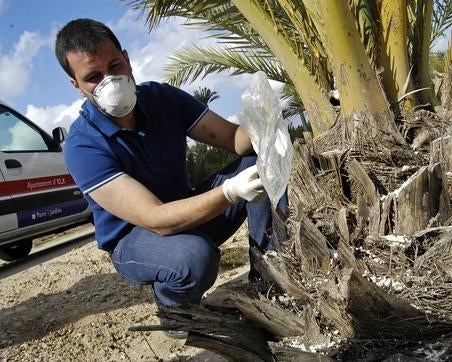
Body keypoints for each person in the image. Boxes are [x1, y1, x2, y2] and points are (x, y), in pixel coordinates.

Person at [54, 19, 288, 321]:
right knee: (194, 257)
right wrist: (230, 191)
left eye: (114, 66)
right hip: (135, 239)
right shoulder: (83, 146)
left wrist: (264, 120)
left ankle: (272, 274)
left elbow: (234, 139)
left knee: (262, 159)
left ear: (127, 59)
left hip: (187, 210)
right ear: (76, 85)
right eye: (93, 77)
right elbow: (155, 219)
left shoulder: (162, 99)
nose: (109, 82)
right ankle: (173, 306)